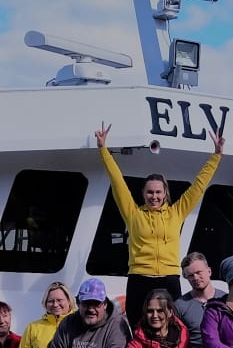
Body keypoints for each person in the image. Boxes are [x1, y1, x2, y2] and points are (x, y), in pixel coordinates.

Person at [95, 122, 224, 328]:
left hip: (169, 278)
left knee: (172, 326)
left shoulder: (176, 212)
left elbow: (198, 186)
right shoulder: (133, 213)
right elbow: (117, 180)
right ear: (143, 194)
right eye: (150, 192)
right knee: (138, 327)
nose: (154, 196)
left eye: (158, 192)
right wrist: (103, 149)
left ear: (165, 194)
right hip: (139, 278)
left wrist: (216, 156)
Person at [174, 250, 224, 348]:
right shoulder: (180, 305)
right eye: (190, 275)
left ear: (209, 271)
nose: (195, 278)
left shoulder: (225, 300)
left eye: (199, 272)